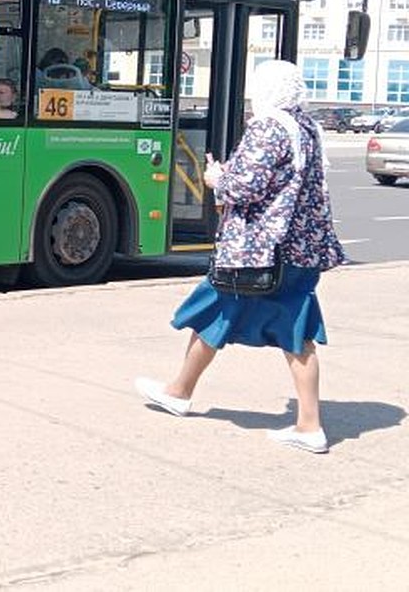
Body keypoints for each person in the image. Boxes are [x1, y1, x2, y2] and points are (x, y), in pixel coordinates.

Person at [134, 59, 345, 454]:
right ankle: (307, 424)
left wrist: (217, 178)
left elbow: (244, 186)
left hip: (260, 251)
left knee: (217, 311)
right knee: (294, 331)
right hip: (299, 250)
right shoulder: (309, 128)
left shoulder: (269, 126)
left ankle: (180, 393)